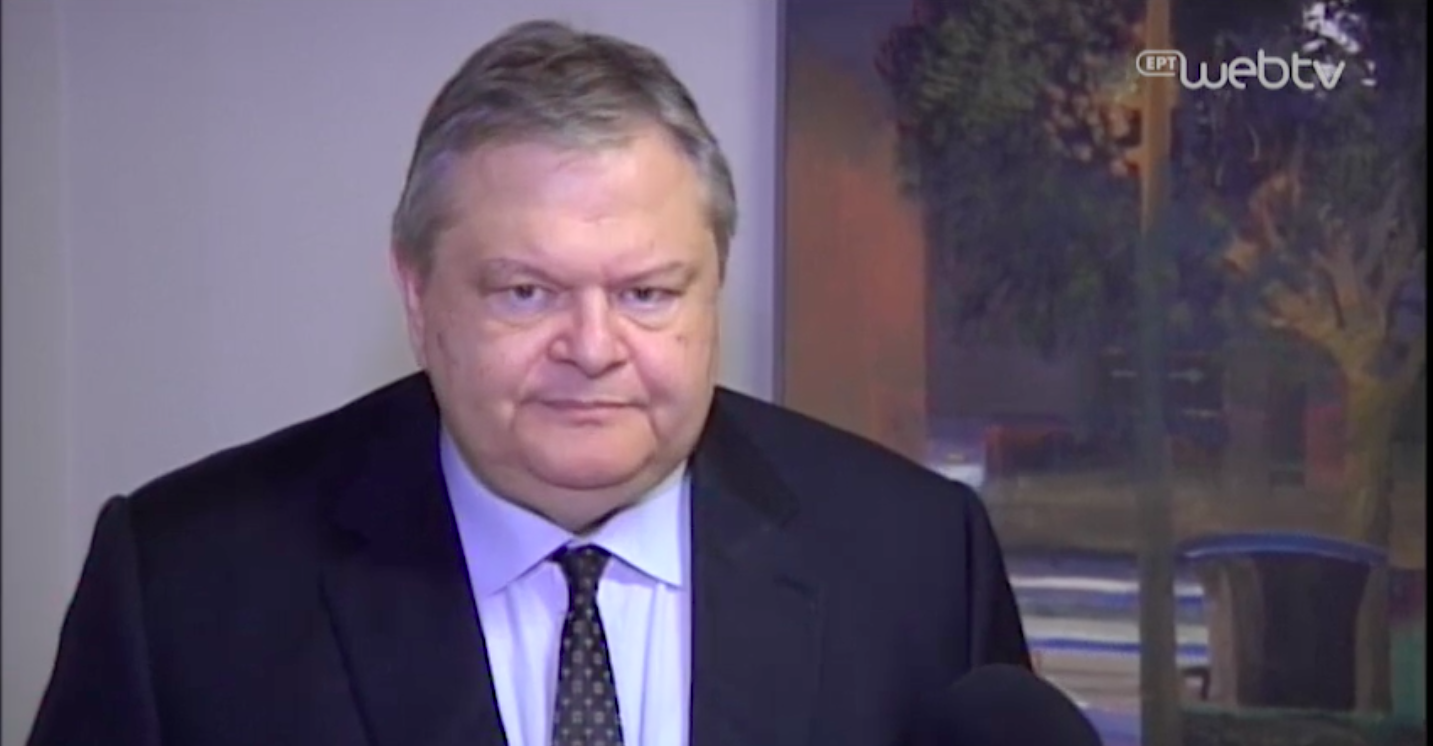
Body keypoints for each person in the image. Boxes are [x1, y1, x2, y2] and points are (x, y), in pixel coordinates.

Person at [27, 19, 1029, 746]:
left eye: (645, 292)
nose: (591, 347)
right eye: (525, 291)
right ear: (418, 296)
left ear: (714, 286)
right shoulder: (185, 585)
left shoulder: (916, 562)